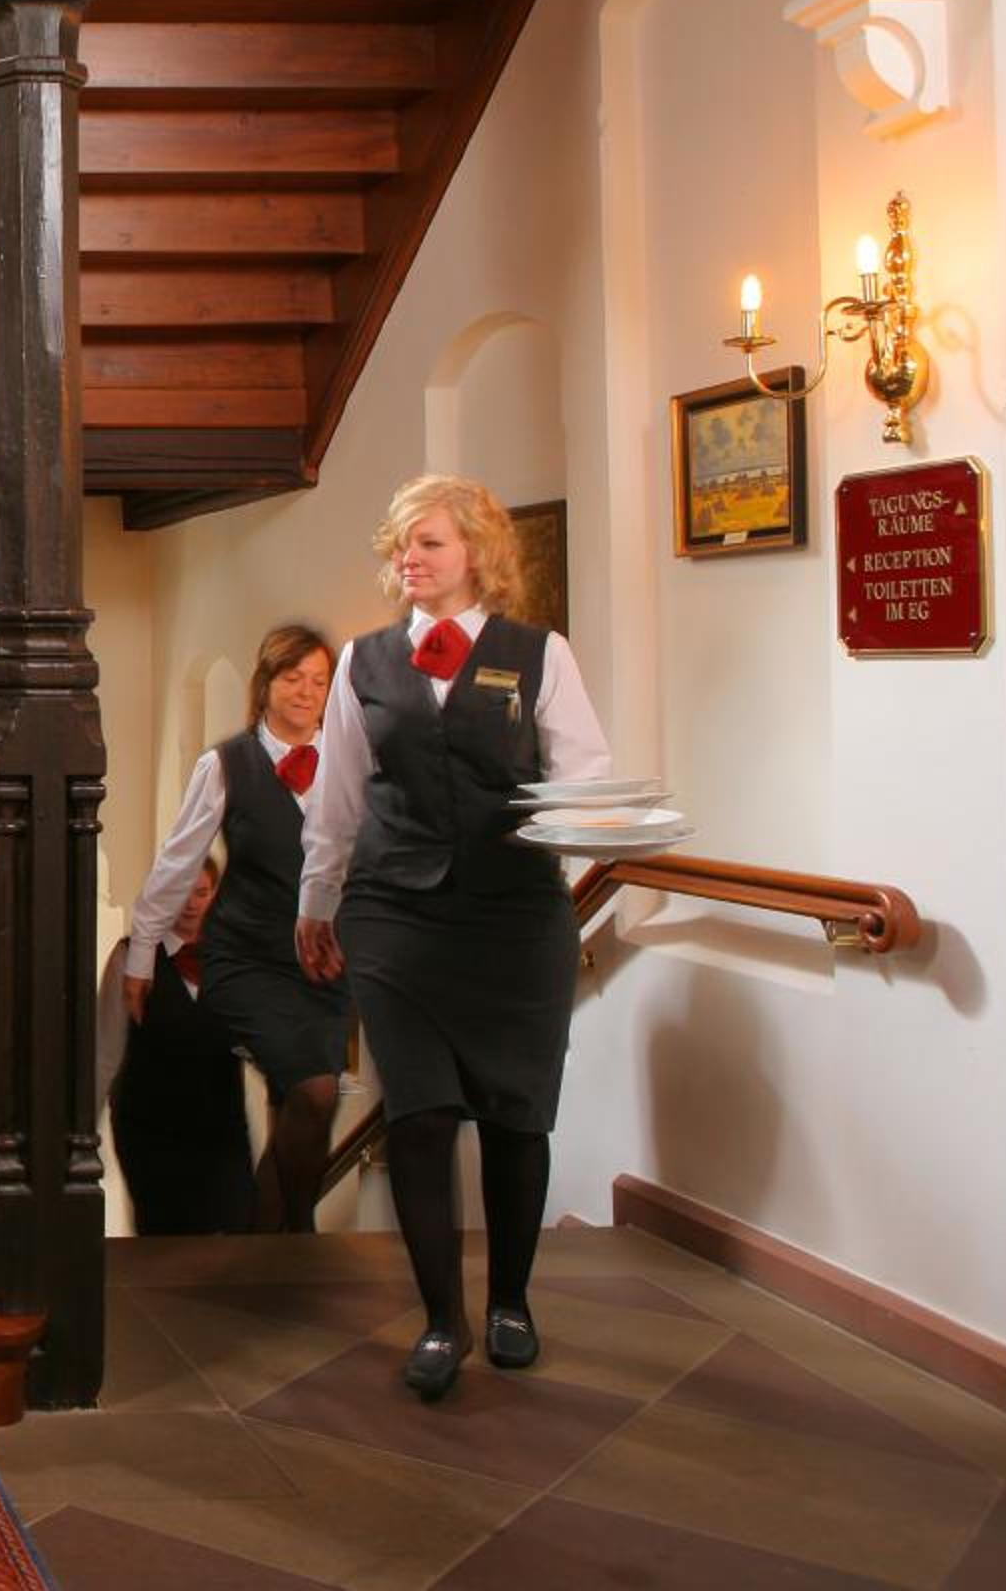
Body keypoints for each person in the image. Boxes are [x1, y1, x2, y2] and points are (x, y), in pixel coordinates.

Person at [295, 475, 611, 1401]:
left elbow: (584, 781)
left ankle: (510, 1302)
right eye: (402, 544)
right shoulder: (363, 663)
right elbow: (337, 796)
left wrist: (581, 873)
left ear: (477, 551)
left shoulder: (541, 654)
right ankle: (442, 1317)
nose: (411, 558)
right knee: (420, 1115)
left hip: (514, 918)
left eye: (429, 542)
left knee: (516, 1115)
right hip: (395, 914)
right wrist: (317, 900)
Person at [123, 625, 345, 1232]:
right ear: (265, 684)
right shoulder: (226, 765)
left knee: (307, 1106)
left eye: (319, 681)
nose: (307, 692)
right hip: (247, 958)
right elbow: (178, 863)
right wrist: (142, 953)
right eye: (293, 678)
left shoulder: (350, 762)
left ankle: (272, 1238)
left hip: (323, 965)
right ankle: (294, 1232)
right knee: (315, 1091)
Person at [95, 862, 258, 1234]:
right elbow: (105, 1053)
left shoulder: (234, 959)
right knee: (165, 1243)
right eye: (183, 892)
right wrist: (81, 1136)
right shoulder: (132, 957)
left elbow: (253, 1040)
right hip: (150, 1132)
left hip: (222, 1129)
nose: (192, 904)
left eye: (202, 893)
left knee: (236, 1230)